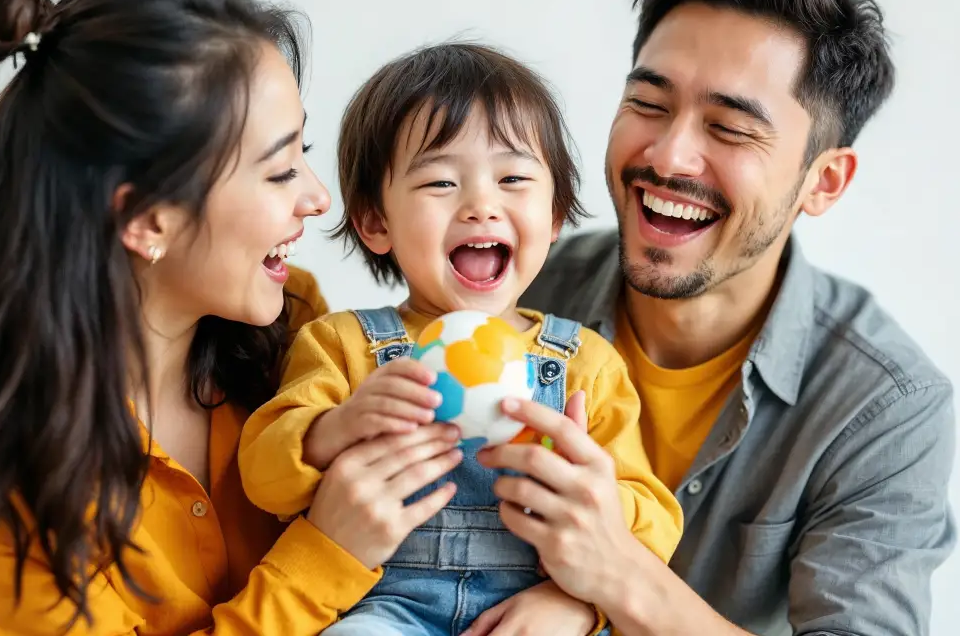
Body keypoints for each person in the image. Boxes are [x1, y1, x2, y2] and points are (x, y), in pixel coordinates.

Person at [0, 0, 469, 635]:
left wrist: (580, 586)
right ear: (147, 220)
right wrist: (326, 557)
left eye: (303, 152)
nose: (317, 196)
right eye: (278, 171)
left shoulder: (295, 327)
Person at [471, 0, 958, 636]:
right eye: (649, 103)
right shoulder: (520, 288)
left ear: (823, 182)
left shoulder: (885, 407)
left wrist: (616, 576)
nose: (668, 156)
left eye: (729, 128)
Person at [238, 43, 684, 636]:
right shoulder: (343, 345)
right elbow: (264, 479)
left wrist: (581, 587)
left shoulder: (584, 366)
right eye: (442, 181)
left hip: (535, 610)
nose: (481, 205)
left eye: (513, 178)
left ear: (553, 218)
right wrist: (335, 429)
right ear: (377, 222)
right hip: (386, 607)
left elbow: (655, 525)